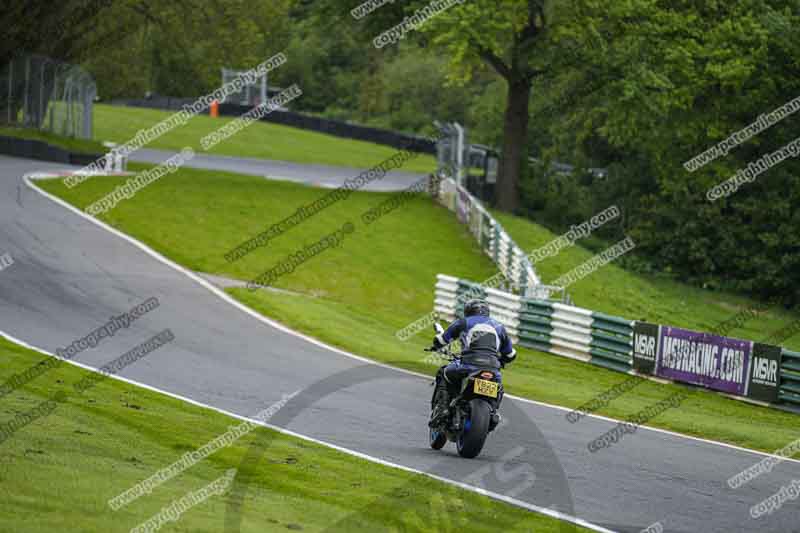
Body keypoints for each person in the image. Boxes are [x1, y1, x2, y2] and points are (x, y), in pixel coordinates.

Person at [428, 298, 516, 429]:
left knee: (444, 372)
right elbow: (511, 355)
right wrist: (501, 360)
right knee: (499, 387)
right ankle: (493, 413)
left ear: (468, 310)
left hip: (468, 365)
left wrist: (436, 345)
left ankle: (442, 409)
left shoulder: (463, 322)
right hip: (492, 369)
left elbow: (441, 340)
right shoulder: (499, 327)